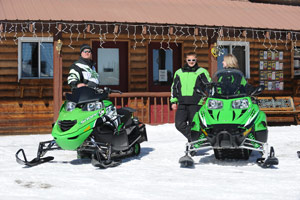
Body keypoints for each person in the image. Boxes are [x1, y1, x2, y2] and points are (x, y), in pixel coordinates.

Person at [170, 52, 211, 142]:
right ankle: (195, 139)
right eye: (189, 60)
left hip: (196, 103)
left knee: (194, 126)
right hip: (182, 103)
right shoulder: (179, 72)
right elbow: (174, 87)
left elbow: (209, 85)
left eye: (193, 60)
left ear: (196, 60)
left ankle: (193, 146)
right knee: (179, 124)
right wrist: (173, 101)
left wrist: (208, 97)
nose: (191, 62)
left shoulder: (201, 72)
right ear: (186, 60)